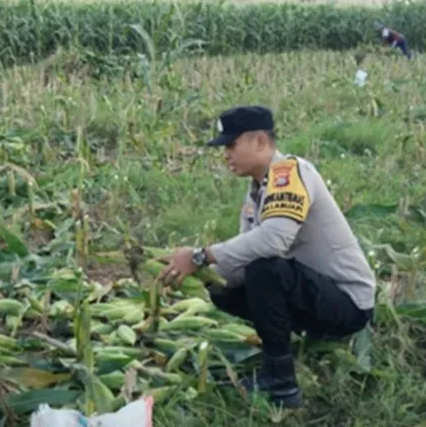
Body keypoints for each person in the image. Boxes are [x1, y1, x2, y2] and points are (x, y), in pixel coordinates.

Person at [157, 106, 376, 409]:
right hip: (314, 293)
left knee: (265, 270)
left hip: (348, 302)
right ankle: (289, 343)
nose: (226, 154)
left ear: (260, 141)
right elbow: (238, 263)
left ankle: (282, 383)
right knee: (223, 288)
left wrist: (199, 256)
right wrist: (200, 276)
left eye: (232, 145)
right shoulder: (258, 190)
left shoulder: (290, 173)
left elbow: (274, 240)